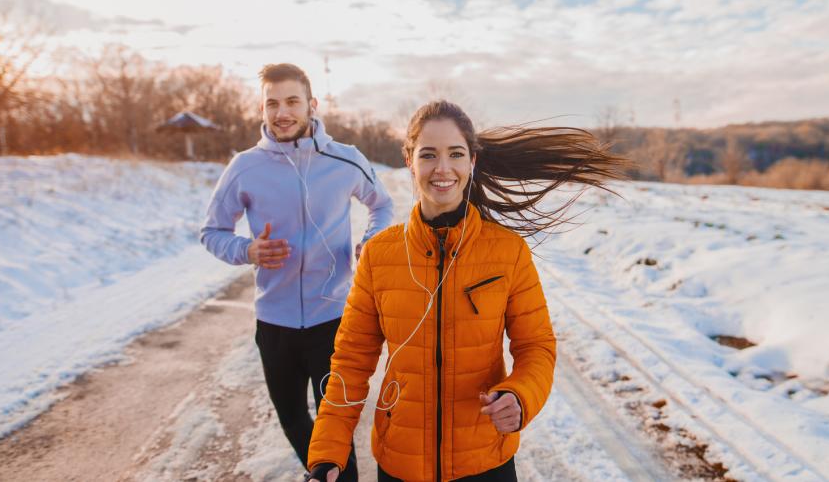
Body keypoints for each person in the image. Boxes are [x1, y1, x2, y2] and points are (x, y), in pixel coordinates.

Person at [306, 100, 629, 482]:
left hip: (486, 462)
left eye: (455, 154)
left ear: (472, 161)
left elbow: (537, 346)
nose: (442, 169)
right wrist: (328, 450)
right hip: (401, 464)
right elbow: (351, 362)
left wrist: (520, 395)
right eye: (428, 155)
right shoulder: (380, 255)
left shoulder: (507, 252)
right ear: (409, 160)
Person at [200, 63, 394, 482]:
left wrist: (372, 240)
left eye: (291, 101)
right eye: (272, 103)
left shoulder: (344, 160)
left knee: (335, 425)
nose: (281, 112)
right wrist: (247, 249)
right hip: (275, 323)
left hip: (333, 321)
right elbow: (211, 232)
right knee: (292, 419)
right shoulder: (245, 167)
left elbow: (382, 204)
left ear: (312, 105)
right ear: (262, 108)